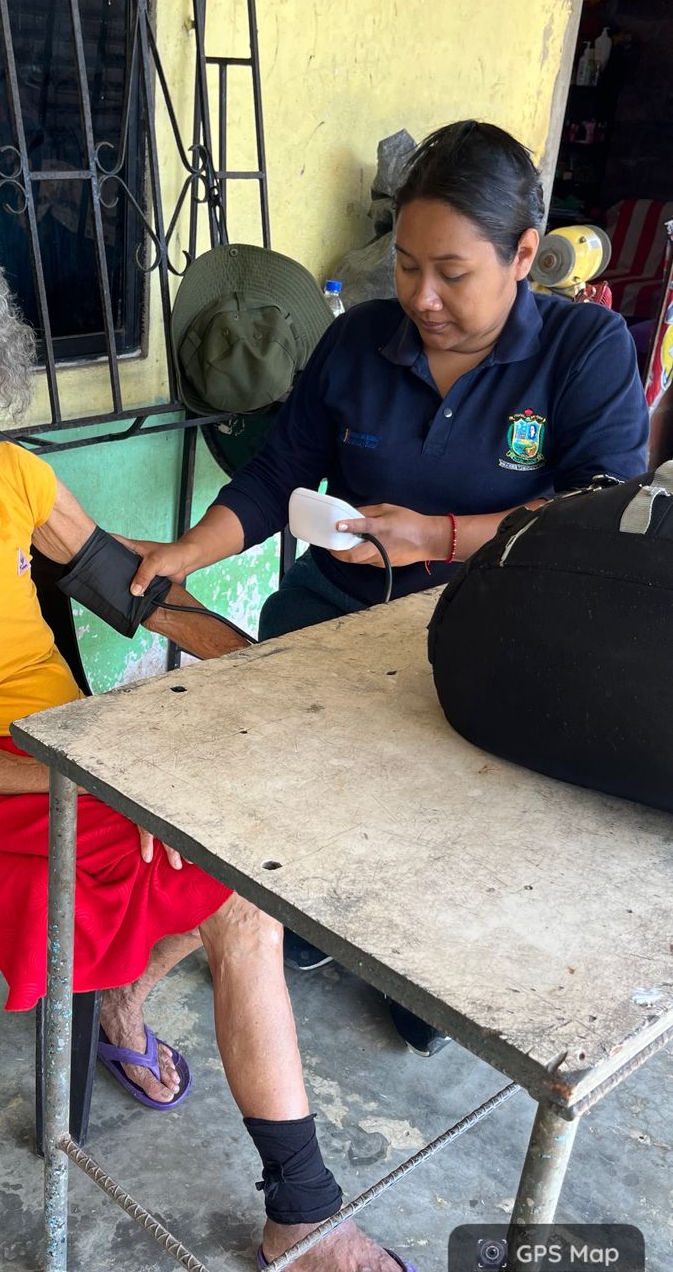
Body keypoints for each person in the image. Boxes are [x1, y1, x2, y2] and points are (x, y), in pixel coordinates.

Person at [0, 228, 455, 1272]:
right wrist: (86, 775)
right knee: (241, 899)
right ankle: (303, 1217)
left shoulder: (14, 476)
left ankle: (124, 1001)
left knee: (254, 843)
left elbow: (123, 584)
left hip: (81, 743)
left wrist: (248, 663)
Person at [130, 119, 650, 1054]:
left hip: (491, 630)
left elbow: (598, 511)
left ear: (522, 255)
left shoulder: (584, 348)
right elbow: (276, 474)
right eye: (407, 266)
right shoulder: (360, 341)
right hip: (331, 617)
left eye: (452, 272)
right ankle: (295, 918)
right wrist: (187, 553)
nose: (422, 297)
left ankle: (410, 956)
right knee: (270, 778)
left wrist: (440, 536)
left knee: (443, 819)